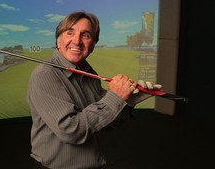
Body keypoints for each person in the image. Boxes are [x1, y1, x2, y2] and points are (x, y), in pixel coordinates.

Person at [27, 10, 162, 169]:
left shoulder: (89, 74)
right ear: (58, 41)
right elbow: (71, 131)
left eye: (86, 35)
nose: (77, 41)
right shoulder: (45, 75)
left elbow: (105, 123)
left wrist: (128, 101)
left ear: (93, 44)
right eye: (70, 33)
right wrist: (115, 97)